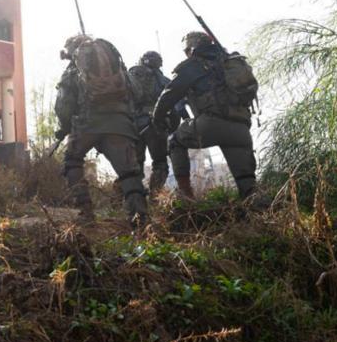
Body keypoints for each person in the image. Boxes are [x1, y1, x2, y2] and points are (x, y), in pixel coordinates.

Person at [152, 31, 259, 203]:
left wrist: (157, 119)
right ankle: (261, 215)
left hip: (211, 123)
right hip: (241, 128)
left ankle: (186, 195)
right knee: (248, 185)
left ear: (191, 48)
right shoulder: (230, 62)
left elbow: (169, 95)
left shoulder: (193, 66)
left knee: (174, 142)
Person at [54, 34, 149, 227]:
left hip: (86, 126)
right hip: (120, 126)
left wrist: (63, 128)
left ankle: (86, 213)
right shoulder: (117, 68)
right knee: (129, 173)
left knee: (72, 161)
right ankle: (140, 221)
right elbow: (137, 93)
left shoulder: (73, 71)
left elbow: (63, 105)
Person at [128, 51, 174, 196]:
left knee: (133, 165)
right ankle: (154, 197)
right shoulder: (164, 81)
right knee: (160, 163)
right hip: (156, 124)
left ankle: (130, 198)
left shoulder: (129, 77)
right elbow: (174, 106)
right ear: (159, 64)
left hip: (133, 125)